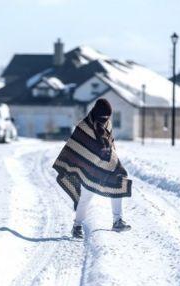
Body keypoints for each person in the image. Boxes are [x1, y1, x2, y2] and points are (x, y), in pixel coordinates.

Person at [53, 98, 132, 238]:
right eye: (103, 116)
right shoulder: (84, 126)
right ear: (96, 113)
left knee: (118, 184)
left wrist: (112, 158)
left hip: (107, 165)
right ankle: (77, 226)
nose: (105, 119)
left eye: (108, 116)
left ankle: (117, 220)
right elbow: (76, 146)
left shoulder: (108, 124)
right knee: (86, 197)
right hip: (88, 167)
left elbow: (110, 143)